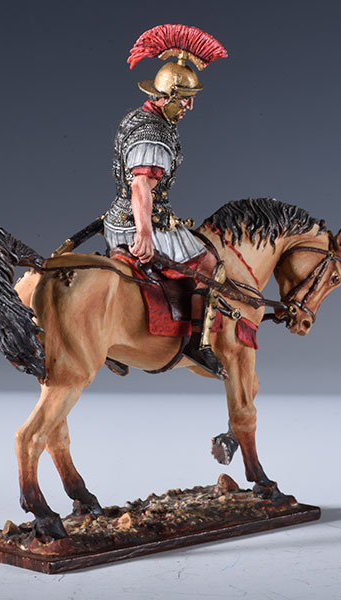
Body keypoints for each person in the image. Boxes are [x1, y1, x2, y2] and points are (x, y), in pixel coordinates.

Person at [104, 24, 228, 380]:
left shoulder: (137, 116)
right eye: (184, 99)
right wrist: (144, 233)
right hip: (142, 224)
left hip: (116, 219)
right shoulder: (154, 134)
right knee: (211, 268)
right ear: (168, 96)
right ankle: (198, 346)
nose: (189, 106)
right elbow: (141, 185)